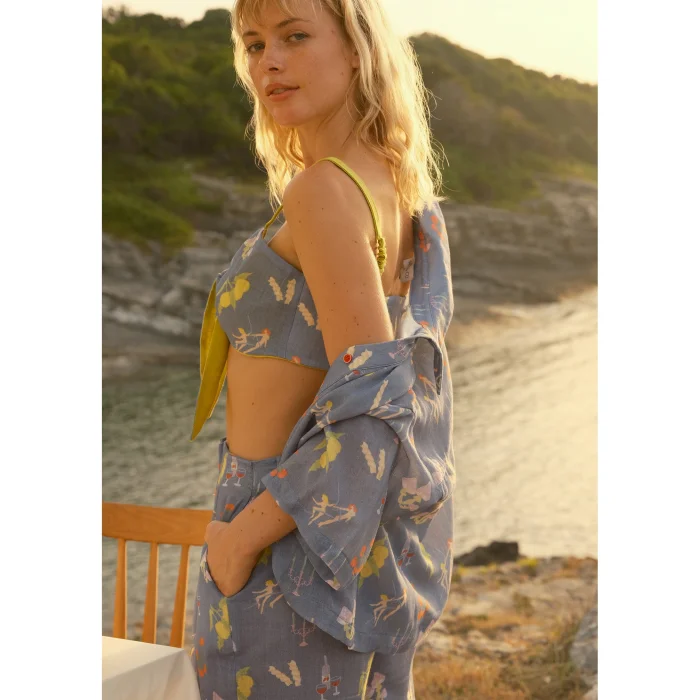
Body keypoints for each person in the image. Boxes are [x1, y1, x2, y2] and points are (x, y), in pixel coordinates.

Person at [189, 1, 455, 698]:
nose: (268, 62)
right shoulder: (403, 191)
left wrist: (239, 540)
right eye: (253, 44)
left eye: (295, 36)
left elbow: (373, 404)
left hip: (283, 529)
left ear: (358, 50)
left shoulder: (323, 190)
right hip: (338, 530)